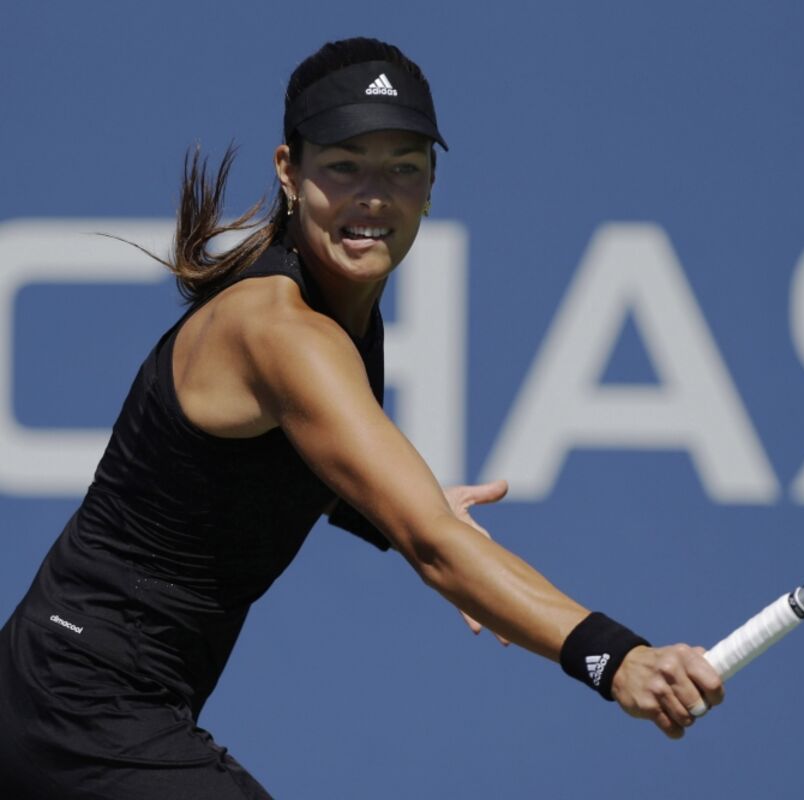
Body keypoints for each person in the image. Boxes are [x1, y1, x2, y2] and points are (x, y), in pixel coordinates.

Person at [0, 37, 723, 799]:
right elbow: (433, 545)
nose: (374, 196)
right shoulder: (283, 332)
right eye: (344, 165)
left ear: (431, 185)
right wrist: (618, 659)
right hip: (78, 706)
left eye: (402, 169)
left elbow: (251, 469)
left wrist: (398, 505)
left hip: (71, 695)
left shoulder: (335, 314)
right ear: (290, 171)